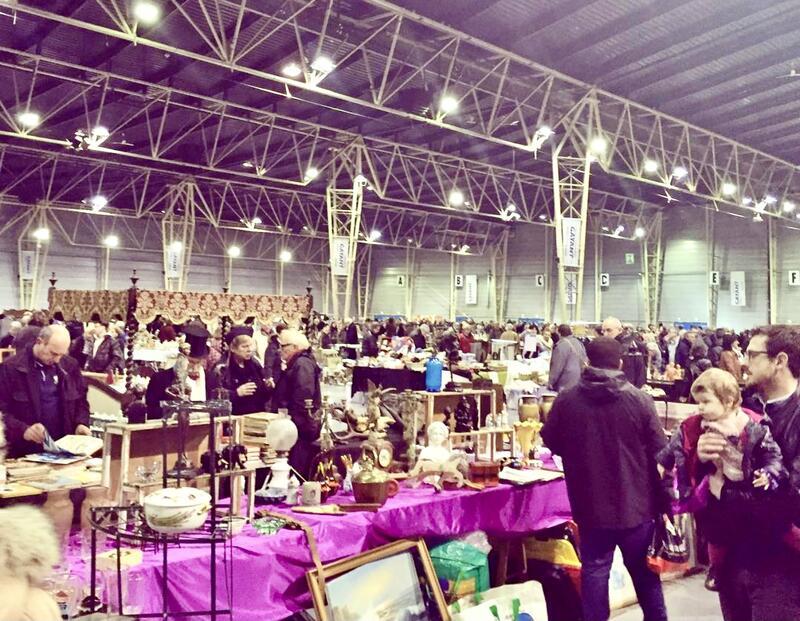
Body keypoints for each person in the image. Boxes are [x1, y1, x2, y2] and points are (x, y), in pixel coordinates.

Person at [541, 337, 667, 621]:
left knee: (595, 571)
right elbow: (660, 449)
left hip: (590, 504)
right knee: (644, 573)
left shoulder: (567, 400)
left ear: (587, 362)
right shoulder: (640, 400)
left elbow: (551, 441)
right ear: (620, 363)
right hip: (637, 505)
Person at [657, 368, 785, 591]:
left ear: (728, 401)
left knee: (744, 534)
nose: (700, 407)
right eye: (699, 402)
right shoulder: (691, 427)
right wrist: (662, 469)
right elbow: (670, 453)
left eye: (706, 402)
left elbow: (772, 455)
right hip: (713, 491)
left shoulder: (752, 426)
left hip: (745, 490)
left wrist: (768, 473)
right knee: (715, 534)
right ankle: (716, 567)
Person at [706, 326, 800, 620]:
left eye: (752, 355)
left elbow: (790, 498)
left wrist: (724, 492)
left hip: (780, 564)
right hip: (731, 553)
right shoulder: (737, 406)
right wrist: (700, 456)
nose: (743, 362)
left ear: (780, 361)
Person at [0, 325, 92, 457]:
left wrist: (81, 423)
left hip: (63, 449)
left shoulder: (70, 366)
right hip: (24, 451)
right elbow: (2, 412)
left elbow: (81, 401)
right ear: (39, 342)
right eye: (53, 353)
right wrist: (23, 429)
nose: (57, 360)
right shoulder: (11, 368)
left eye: (62, 354)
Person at [271, 329, 321, 479]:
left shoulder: (302, 364)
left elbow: (303, 396)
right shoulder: (298, 363)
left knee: (297, 466)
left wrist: (294, 421)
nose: (280, 350)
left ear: (294, 347)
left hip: (300, 427)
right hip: (296, 424)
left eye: (283, 346)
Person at [144, 324, 220, 419]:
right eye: (191, 362)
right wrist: (174, 415)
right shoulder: (160, 379)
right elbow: (151, 411)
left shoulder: (212, 379)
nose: (195, 367)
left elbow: (217, 410)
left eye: (198, 362)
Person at [218, 326, 270, 415]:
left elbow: (263, 396)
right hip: (234, 416)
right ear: (233, 348)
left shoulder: (255, 365)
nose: (249, 350)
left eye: (250, 346)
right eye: (244, 346)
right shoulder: (222, 368)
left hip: (256, 415)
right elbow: (216, 398)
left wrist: (268, 387)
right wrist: (236, 393)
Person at [601, 317, 647, 388]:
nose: (605, 334)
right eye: (603, 331)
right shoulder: (607, 346)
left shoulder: (627, 347)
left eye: (609, 330)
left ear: (620, 330)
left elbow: (633, 375)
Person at [548, 324, 587, 392]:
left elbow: (557, 367)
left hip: (565, 381)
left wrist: (550, 382)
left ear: (559, 333)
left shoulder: (561, 346)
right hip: (579, 379)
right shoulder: (579, 342)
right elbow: (585, 358)